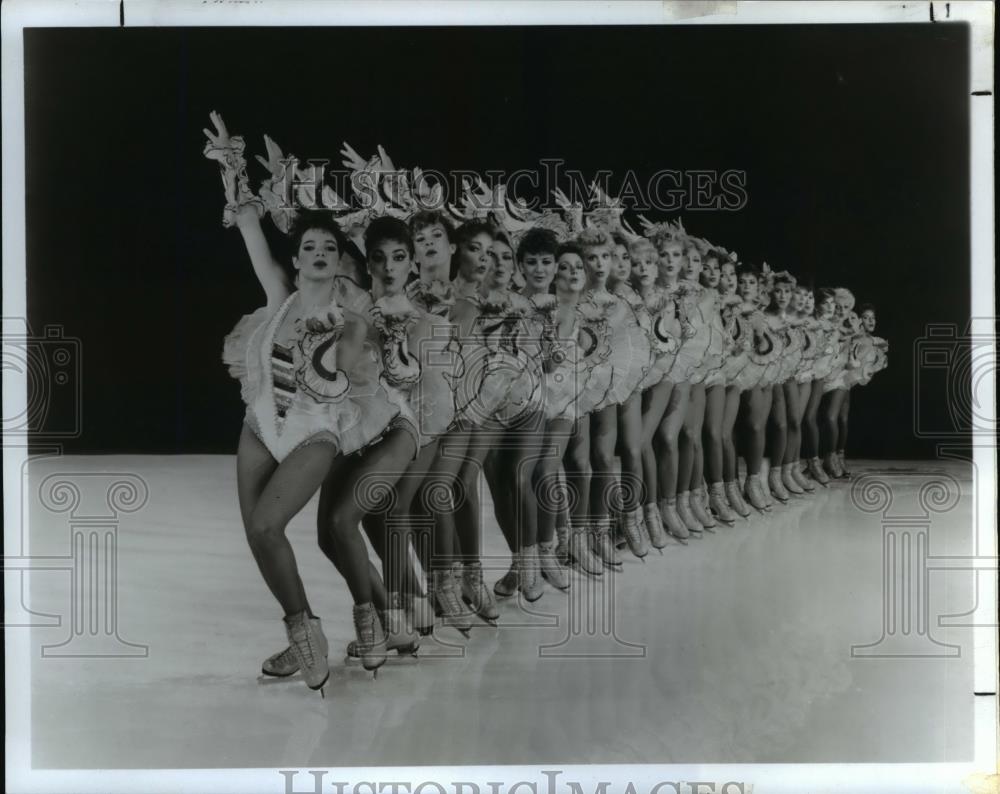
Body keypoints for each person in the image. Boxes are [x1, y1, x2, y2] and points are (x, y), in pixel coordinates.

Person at [205, 112, 419, 687]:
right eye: (310, 246)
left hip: (315, 429)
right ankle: (301, 630)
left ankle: (306, 632)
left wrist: (351, 330)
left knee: (271, 526)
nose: (320, 252)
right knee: (257, 534)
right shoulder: (278, 292)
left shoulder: (353, 308)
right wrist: (232, 165)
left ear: (339, 258)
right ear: (296, 258)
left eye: (329, 246)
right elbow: (250, 226)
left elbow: (351, 368)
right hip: (260, 424)